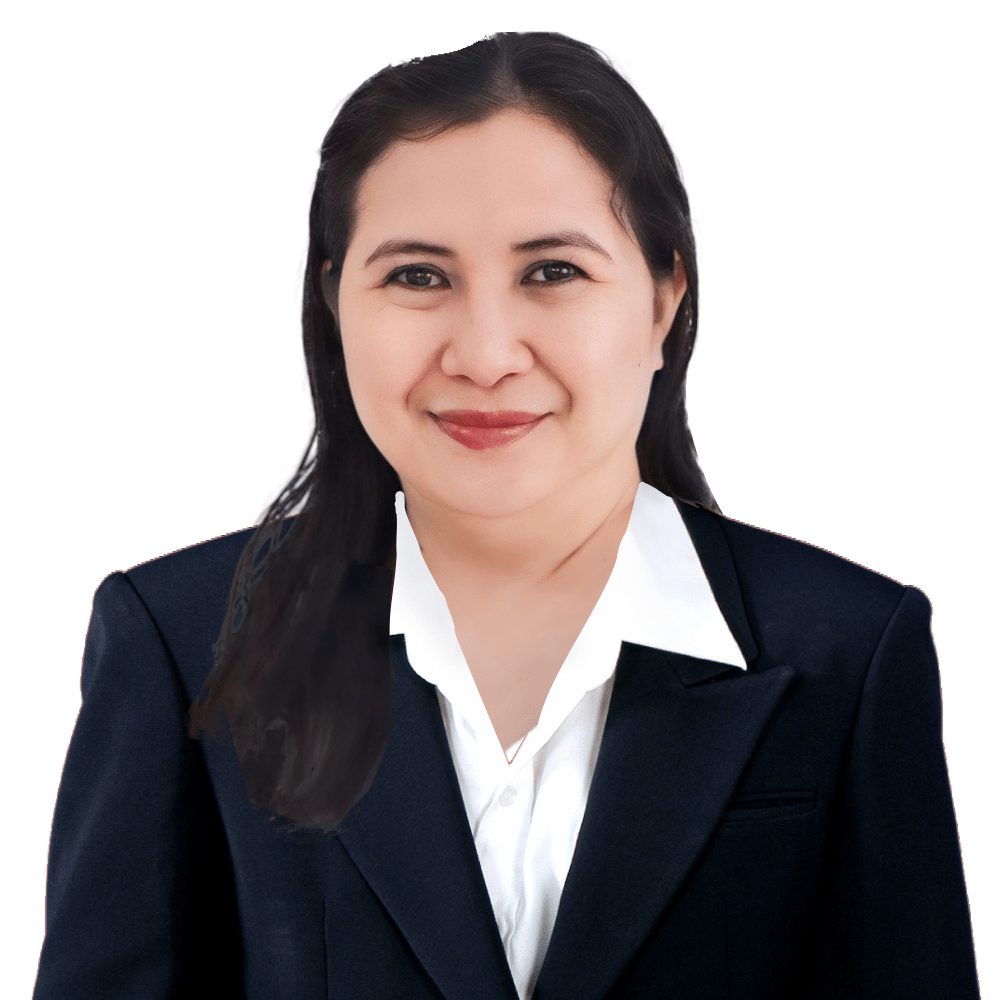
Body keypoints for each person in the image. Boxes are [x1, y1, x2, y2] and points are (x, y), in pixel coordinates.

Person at [33, 31, 979, 1000]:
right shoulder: (182, 642)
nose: (485, 355)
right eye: (417, 275)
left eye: (552, 271)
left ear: (663, 299)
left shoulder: (848, 651)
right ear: (334, 301)